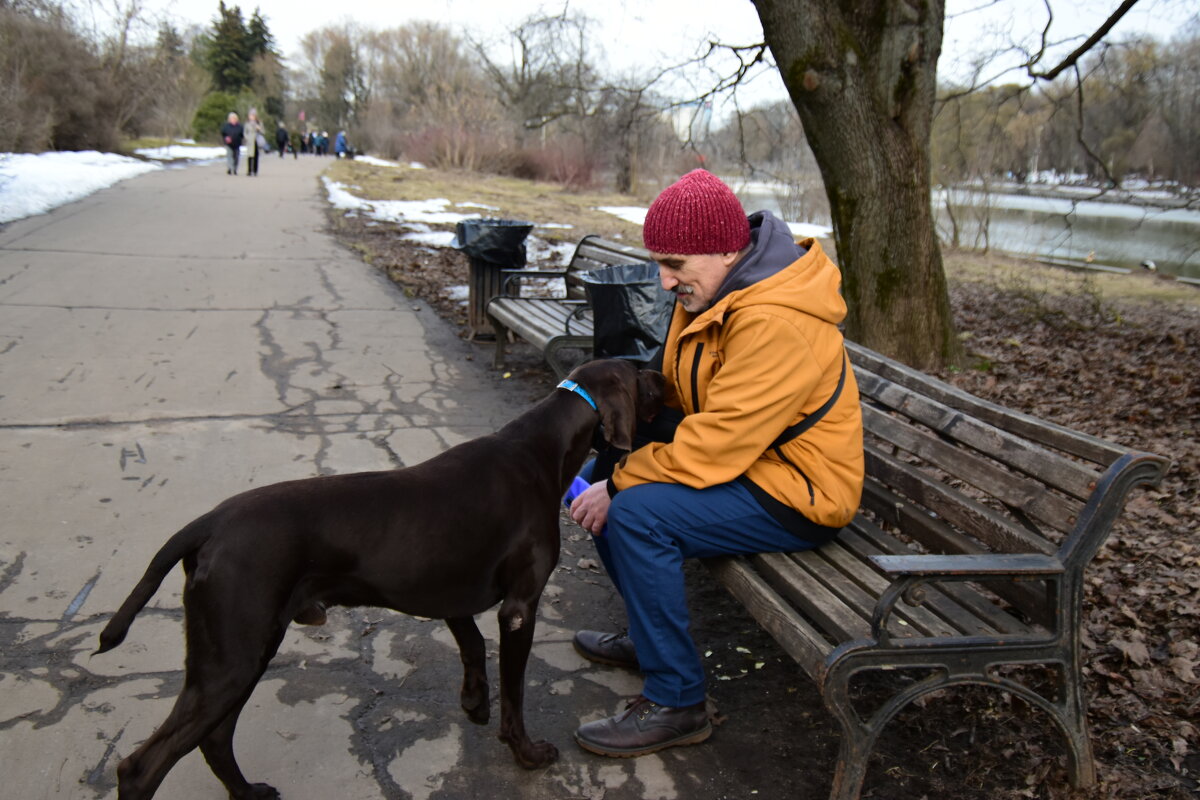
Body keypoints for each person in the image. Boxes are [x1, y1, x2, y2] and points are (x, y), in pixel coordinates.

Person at [568, 169, 864, 758]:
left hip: (801, 492)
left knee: (633, 510)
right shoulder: (715, 289)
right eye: (658, 261)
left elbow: (718, 445)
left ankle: (679, 700)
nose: (663, 278)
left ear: (728, 249)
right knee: (612, 467)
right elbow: (683, 388)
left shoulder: (776, 320)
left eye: (674, 263)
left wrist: (620, 483)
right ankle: (650, 639)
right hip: (755, 463)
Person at [243, 109, 265, 176]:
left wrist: (259, 129)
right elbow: (245, 132)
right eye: (250, 115)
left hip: (257, 141)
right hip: (250, 142)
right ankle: (249, 170)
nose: (251, 116)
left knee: (256, 157)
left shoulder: (259, 123)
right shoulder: (247, 123)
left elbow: (263, 132)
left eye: (253, 115)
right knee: (249, 156)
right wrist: (247, 138)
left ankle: (255, 171)